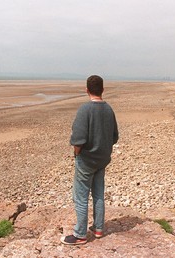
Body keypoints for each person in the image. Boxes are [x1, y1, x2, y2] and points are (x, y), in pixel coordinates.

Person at [61, 75, 119, 245]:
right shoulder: (109, 110)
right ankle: (99, 228)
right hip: (102, 159)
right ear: (102, 90)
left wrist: (77, 154)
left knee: (80, 197)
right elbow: (114, 137)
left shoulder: (85, 110)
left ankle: (80, 235)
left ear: (87, 90)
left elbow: (78, 139)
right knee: (99, 193)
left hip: (86, 161)